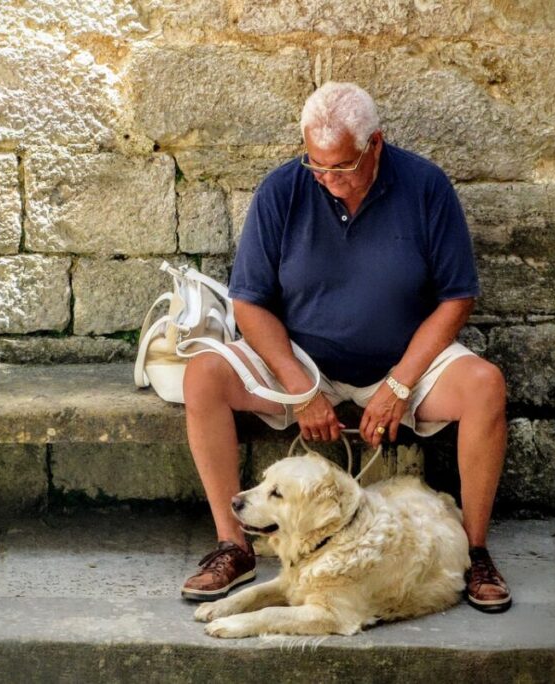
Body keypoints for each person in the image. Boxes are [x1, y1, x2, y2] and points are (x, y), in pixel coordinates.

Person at [180, 82, 511, 613]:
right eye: (317, 165)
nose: (329, 180)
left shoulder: (425, 186)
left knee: (485, 386)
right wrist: (299, 387)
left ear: (375, 144)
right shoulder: (283, 189)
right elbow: (249, 304)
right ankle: (233, 546)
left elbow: (456, 298)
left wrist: (400, 383)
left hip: (405, 362)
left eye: (342, 166)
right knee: (203, 376)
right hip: (303, 363)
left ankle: (475, 552)